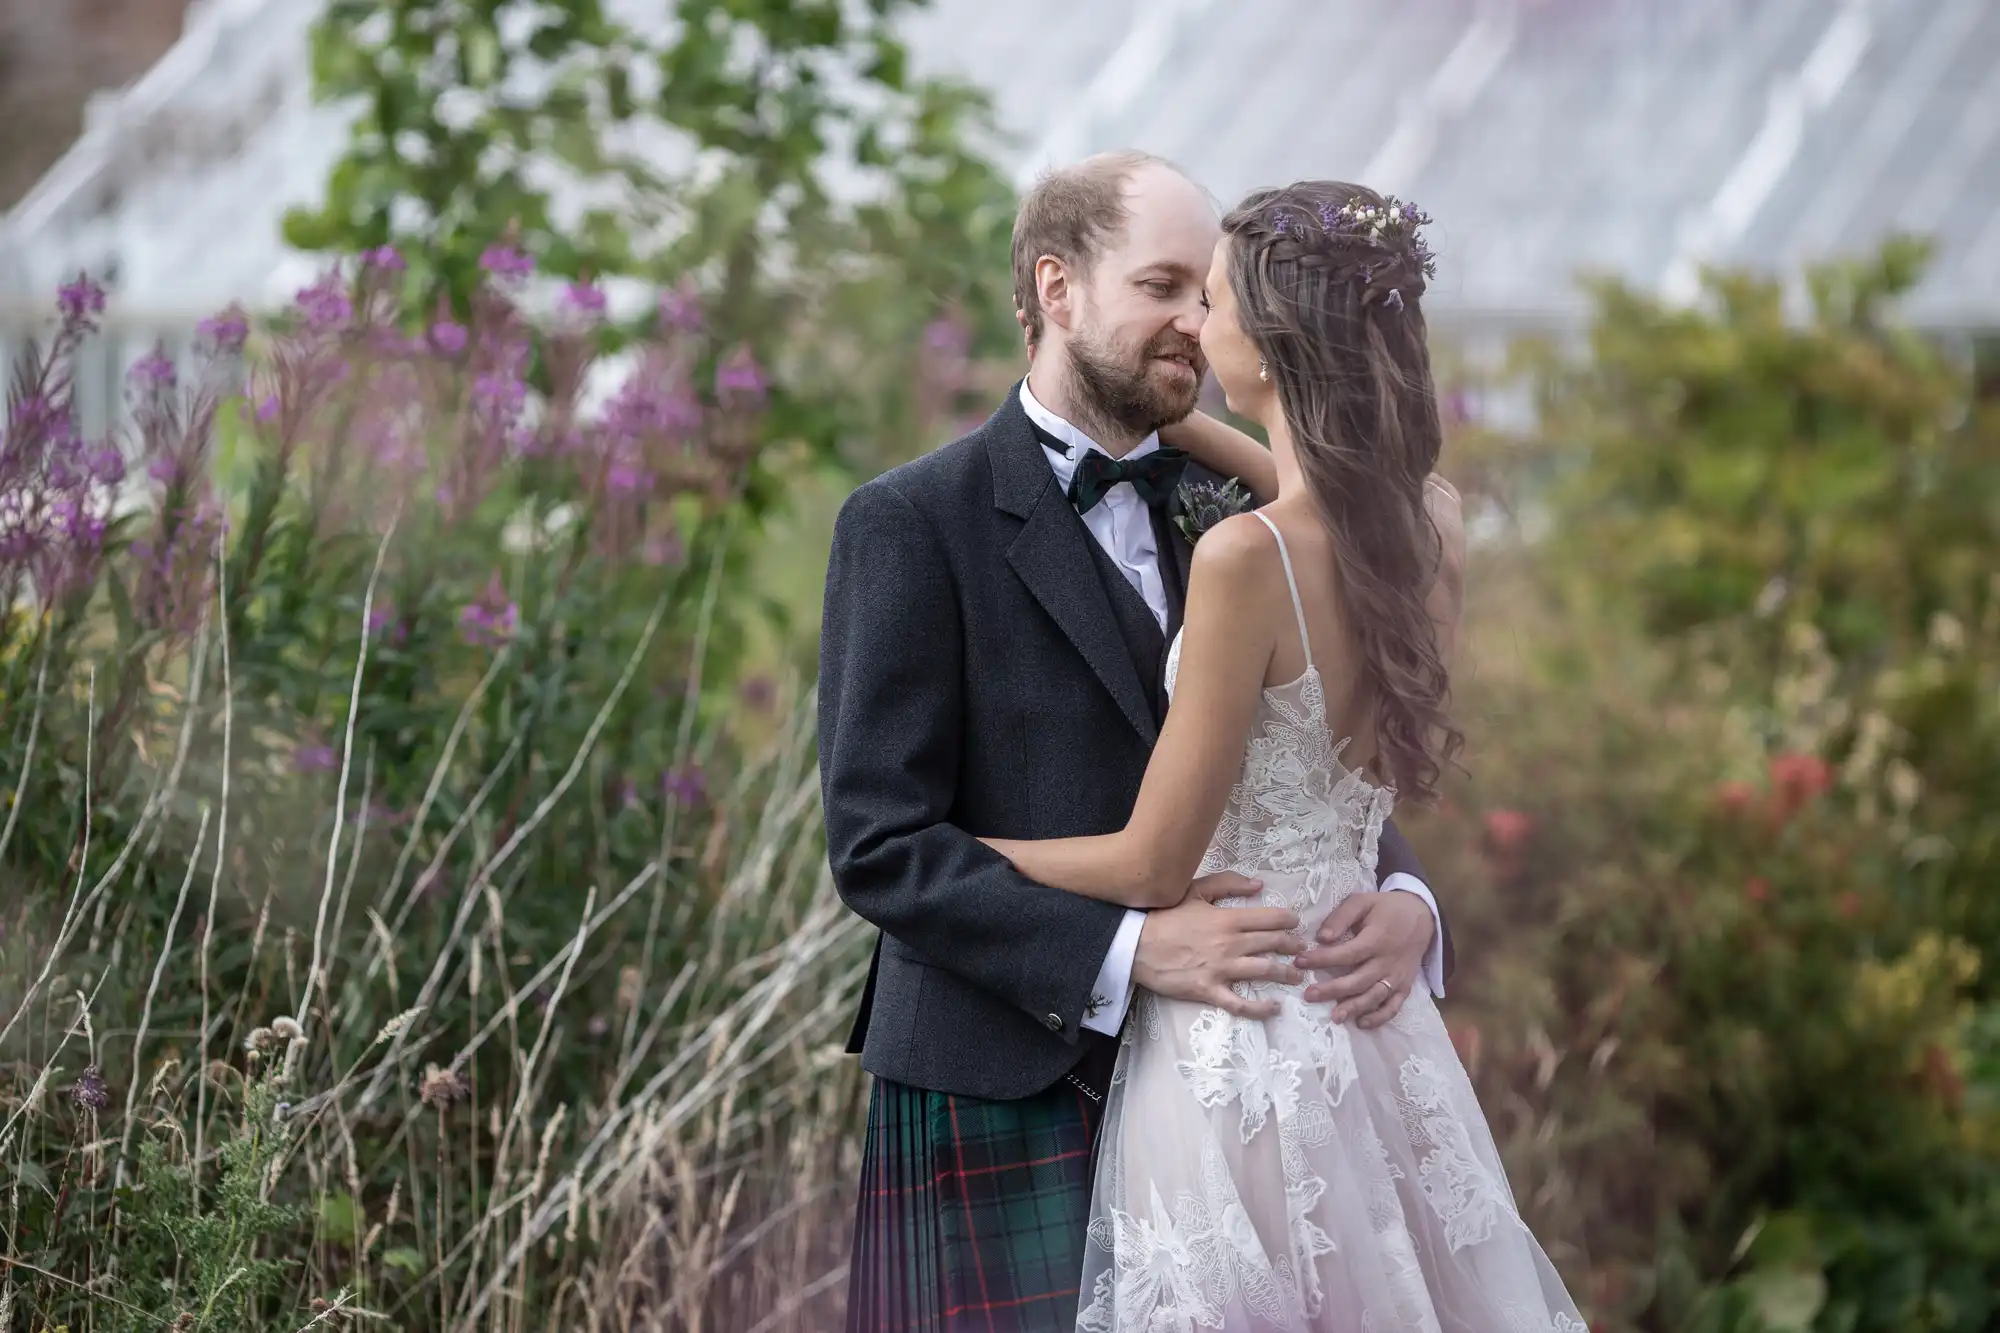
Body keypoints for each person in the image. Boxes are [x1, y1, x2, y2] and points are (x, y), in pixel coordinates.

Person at [818, 151, 1457, 1332]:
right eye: (1164, 286)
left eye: (1206, 292)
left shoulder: (1242, 509)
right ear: (1055, 291)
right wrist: (1126, 948)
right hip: (1002, 1081)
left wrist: (1410, 900)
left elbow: (1307, 751)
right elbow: (878, 848)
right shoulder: (908, 524)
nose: (1194, 321)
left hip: (1257, 1086)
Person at [976, 180, 1586, 1330]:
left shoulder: (1244, 562)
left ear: (1262, 346)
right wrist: (1166, 420)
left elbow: (1156, 864)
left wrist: (972, 845)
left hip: (1242, 1045)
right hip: (1377, 1040)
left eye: (1205, 305)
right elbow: (1311, 483)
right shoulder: (1431, 523)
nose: (1188, 329)